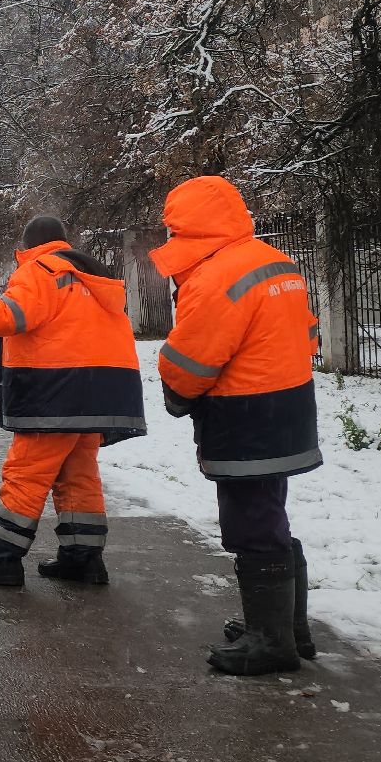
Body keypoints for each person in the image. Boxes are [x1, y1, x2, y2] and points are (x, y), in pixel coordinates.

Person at [149, 176, 321, 676]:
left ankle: (271, 643)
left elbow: (188, 361)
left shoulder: (216, 277)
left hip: (245, 414)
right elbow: (307, 331)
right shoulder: (274, 261)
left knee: (250, 523)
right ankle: (289, 630)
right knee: (269, 515)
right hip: (288, 405)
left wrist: (177, 396)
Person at [0, 215, 145, 586]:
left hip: (56, 392)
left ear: (26, 248)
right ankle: (84, 560)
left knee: (26, 474)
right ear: (63, 241)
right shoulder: (91, 275)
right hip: (104, 389)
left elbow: (10, 316)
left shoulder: (39, 271)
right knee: (79, 476)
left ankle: (0, 560)